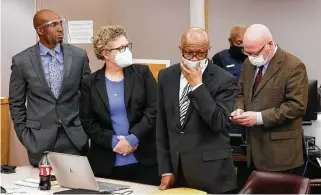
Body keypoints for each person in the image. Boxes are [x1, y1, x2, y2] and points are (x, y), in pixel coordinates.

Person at [156, 28, 238, 193]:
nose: (194, 58)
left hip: (212, 174)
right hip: (177, 171)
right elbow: (162, 125)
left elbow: (218, 122)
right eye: (188, 52)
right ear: (181, 50)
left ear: (208, 50)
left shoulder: (225, 80)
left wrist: (197, 86)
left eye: (200, 53)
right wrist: (166, 168)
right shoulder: (166, 76)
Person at [9, 9, 91, 166]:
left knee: (77, 187)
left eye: (60, 23)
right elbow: (16, 104)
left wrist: (85, 129)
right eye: (53, 24)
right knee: (42, 187)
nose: (60, 28)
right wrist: (26, 136)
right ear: (40, 30)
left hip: (74, 137)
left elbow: (87, 96)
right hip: (39, 140)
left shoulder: (79, 56)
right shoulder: (21, 61)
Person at [79, 25, 159, 185]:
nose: (126, 51)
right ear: (106, 54)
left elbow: (154, 109)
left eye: (127, 46)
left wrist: (133, 138)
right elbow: (88, 122)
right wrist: (115, 142)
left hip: (144, 161)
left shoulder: (142, 74)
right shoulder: (90, 82)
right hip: (106, 163)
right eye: (121, 48)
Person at [230, 24, 308, 176]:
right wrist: (239, 108)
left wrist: (259, 118)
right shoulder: (248, 64)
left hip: (281, 155)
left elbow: (296, 106)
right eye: (247, 53)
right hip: (253, 151)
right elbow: (240, 93)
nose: (251, 57)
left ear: (270, 44)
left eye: (255, 53)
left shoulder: (293, 66)